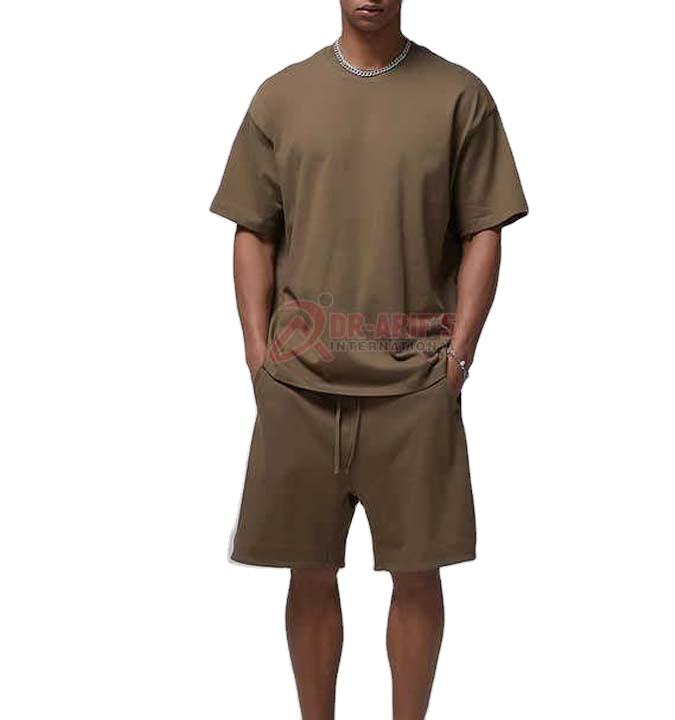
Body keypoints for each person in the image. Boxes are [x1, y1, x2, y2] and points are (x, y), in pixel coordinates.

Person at [210, 1, 527, 717]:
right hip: (300, 384)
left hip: (415, 383)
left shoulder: (459, 96)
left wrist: (459, 355)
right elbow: (253, 228)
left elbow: (484, 228)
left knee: (417, 575)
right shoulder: (281, 95)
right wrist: (259, 355)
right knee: (307, 572)